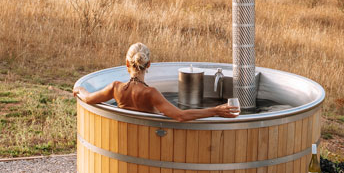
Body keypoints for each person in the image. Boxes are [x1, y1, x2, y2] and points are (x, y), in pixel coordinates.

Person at [73, 43, 238, 122]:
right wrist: (216, 110)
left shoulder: (115, 88)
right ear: (149, 65)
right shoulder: (151, 93)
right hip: (151, 142)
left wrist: (80, 89)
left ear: (127, 64)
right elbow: (180, 115)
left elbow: (88, 98)